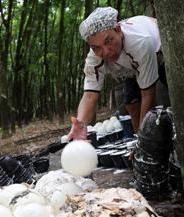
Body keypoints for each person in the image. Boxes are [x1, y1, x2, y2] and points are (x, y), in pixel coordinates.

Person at [68, 6, 169, 141]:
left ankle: (149, 139)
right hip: (130, 68)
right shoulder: (94, 58)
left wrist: (144, 139)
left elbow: (148, 94)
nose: (105, 52)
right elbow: (89, 96)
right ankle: (137, 138)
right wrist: (80, 125)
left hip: (158, 53)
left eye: (108, 41)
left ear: (118, 30)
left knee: (167, 97)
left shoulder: (140, 42)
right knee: (131, 105)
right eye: (96, 47)